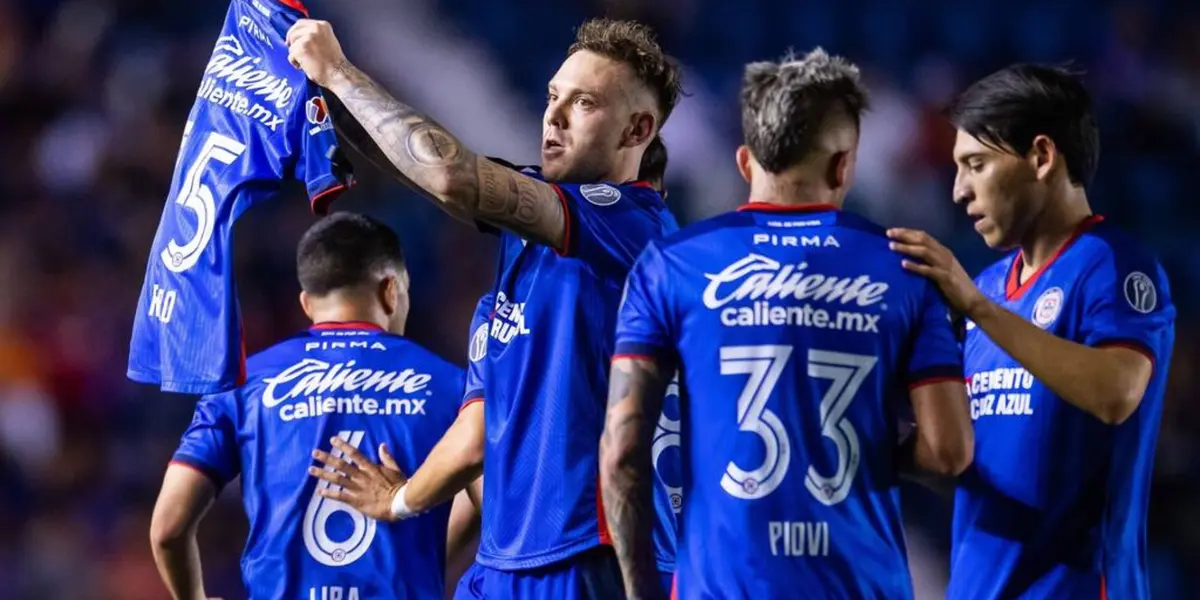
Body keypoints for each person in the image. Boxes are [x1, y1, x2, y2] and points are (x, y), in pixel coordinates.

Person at [288, 16, 683, 599]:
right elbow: (479, 433)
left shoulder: (632, 223)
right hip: (505, 561)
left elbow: (452, 176)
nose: (554, 114)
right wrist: (402, 505)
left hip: (588, 554)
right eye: (553, 96)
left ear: (637, 130)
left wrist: (339, 74)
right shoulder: (520, 258)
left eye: (584, 102)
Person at [601, 48, 974, 600]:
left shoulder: (671, 264)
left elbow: (623, 452)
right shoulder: (908, 267)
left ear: (746, 161)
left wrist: (639, 591)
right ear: (844, 164)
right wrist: (869, 450)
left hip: (720, 586)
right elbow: (949, 451)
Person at [887, 64, 1177, 600]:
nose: (958, 191)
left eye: (975, 165)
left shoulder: (1112, 265)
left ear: (1041, 157)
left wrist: (974, 308)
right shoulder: (990, 287)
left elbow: (1115, 393)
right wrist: (876, 447)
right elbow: (967, 457)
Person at [149, 213, 477, 600]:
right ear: (391, 289)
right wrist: (424, 555)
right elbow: (492, 501)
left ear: (307, 303)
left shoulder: (241, 385)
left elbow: (168, 528)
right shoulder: (457, 388)